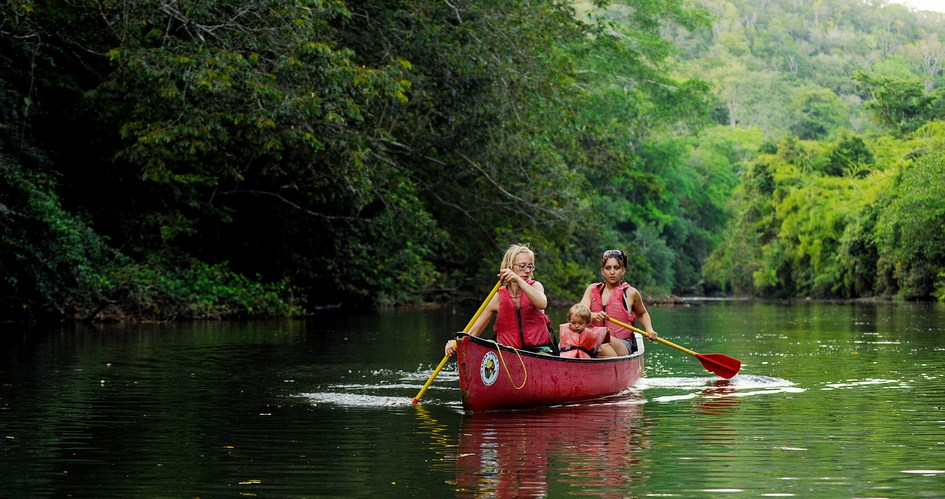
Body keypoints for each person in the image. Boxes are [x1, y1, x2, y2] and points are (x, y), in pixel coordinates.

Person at [445, 244, 556, 356]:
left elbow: (542, 304)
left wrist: (517, 279)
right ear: (509, 267)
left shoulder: (536, 286)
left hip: (539, 352)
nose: (527, 270)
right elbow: (473, 332)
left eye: (530, 266)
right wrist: (456, 342)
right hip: (508, 354)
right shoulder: (497, 298)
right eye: (522, 266)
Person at [580, 249, 658, 356]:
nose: (612, 272)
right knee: (573, 341)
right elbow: (580, 313)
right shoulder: (591, 290)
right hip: (593, 341)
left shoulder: (631, 293)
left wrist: (649, 329)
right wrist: (594, 315)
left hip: (621, 344)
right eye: (608, 268)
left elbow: (642, 313)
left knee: (601, 341)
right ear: (602, 271)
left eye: (616, 268)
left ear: (623, 271)